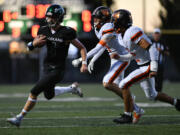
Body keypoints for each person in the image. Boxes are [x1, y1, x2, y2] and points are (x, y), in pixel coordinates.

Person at [7, 4, 88, 127]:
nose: (49, 20)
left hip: (58, 69)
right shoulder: (43, 30)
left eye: (52, 17)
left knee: (34, 91)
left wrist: (84, 63)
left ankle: (19, 118)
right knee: (48, 95)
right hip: (46, 66)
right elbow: (31, 47)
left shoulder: (67, 32)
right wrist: (33, 43)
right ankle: (72, 88)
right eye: (48, 17)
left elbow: (82, 48)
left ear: (59, 18)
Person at [72, 6, 144, 124]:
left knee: (107, 83)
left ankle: (131, 105)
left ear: (103, 19)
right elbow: (103, 46)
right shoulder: (99, 28)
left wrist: (81, 60)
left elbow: (98, 47)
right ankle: (136, 110)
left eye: (96, 18)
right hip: (115, 58)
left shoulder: (108, 28)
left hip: (121, 58)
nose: (94, 20)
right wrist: (93, 60)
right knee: (118, 87)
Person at [110, 9, 180, 124]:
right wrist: (120, 57)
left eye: (115, 21)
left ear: (121, 22)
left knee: (123, 84)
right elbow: (133, 55)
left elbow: (151, 48)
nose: (113, 23)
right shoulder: (123, 36)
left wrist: (153, 68)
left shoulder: (132, 32)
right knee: (152, 95)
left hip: (147, 65)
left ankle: (128, 115)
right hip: (143, 64)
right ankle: (177, 103)